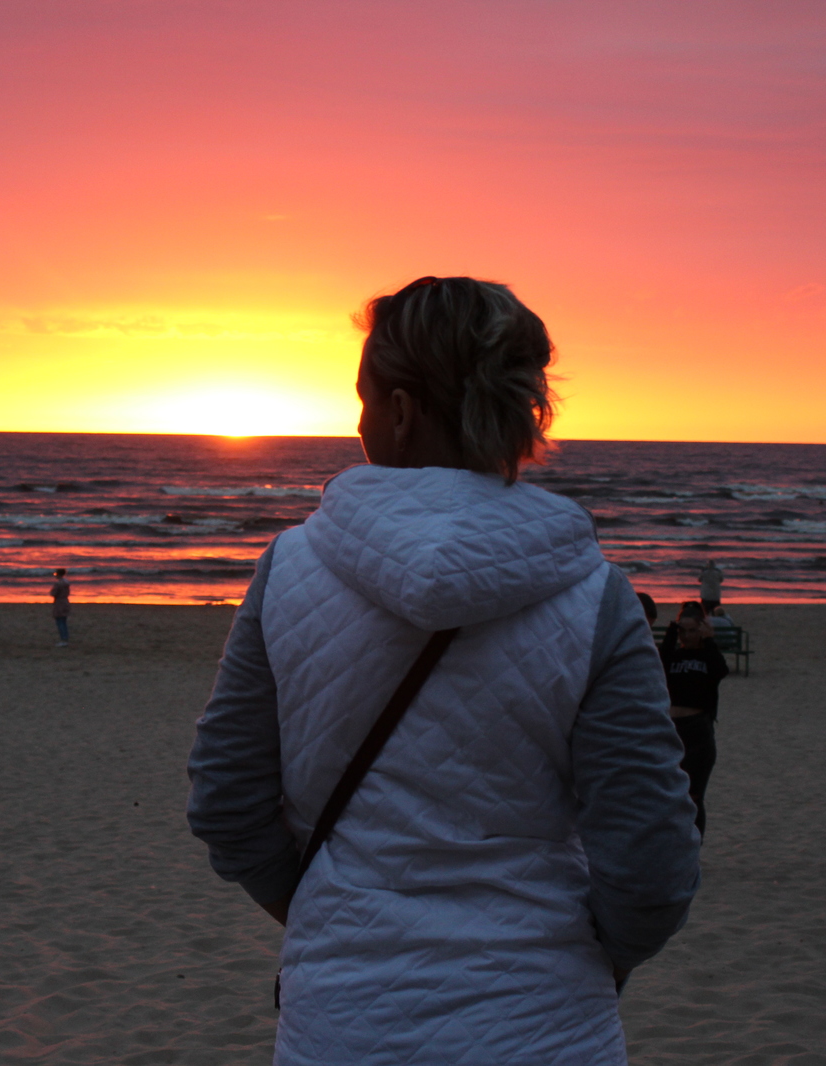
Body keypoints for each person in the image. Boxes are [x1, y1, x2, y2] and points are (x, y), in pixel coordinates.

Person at [186, 276, 699, 1063]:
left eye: (362, 400)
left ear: (398, 411)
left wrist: (328, 913)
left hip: (342, 1027)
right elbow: (652, 857)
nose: (357, 422)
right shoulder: (594, 593)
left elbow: (227, 799)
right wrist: (597, 955)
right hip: (546, 1023)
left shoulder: (289, 569)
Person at [660, 602, 730, 834]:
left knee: (693, 796)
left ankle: (693, 846)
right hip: (671, 730)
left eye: (692, 630)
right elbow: (658, 664)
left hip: (697, 730)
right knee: (665, 794)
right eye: (683, 630)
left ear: (701, 629)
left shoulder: (707, 656)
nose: (687, 636)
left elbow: (721, 670)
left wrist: (709, 640)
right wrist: (672, 630)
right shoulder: (673, 657)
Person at [50, 568, 71, 647]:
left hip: (59, 602)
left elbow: (53, 593)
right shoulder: (67, 582)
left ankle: (63, 639)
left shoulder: (58, 583)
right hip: (65, 601)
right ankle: (65, 638)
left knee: (60, 621)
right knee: (64, 621)